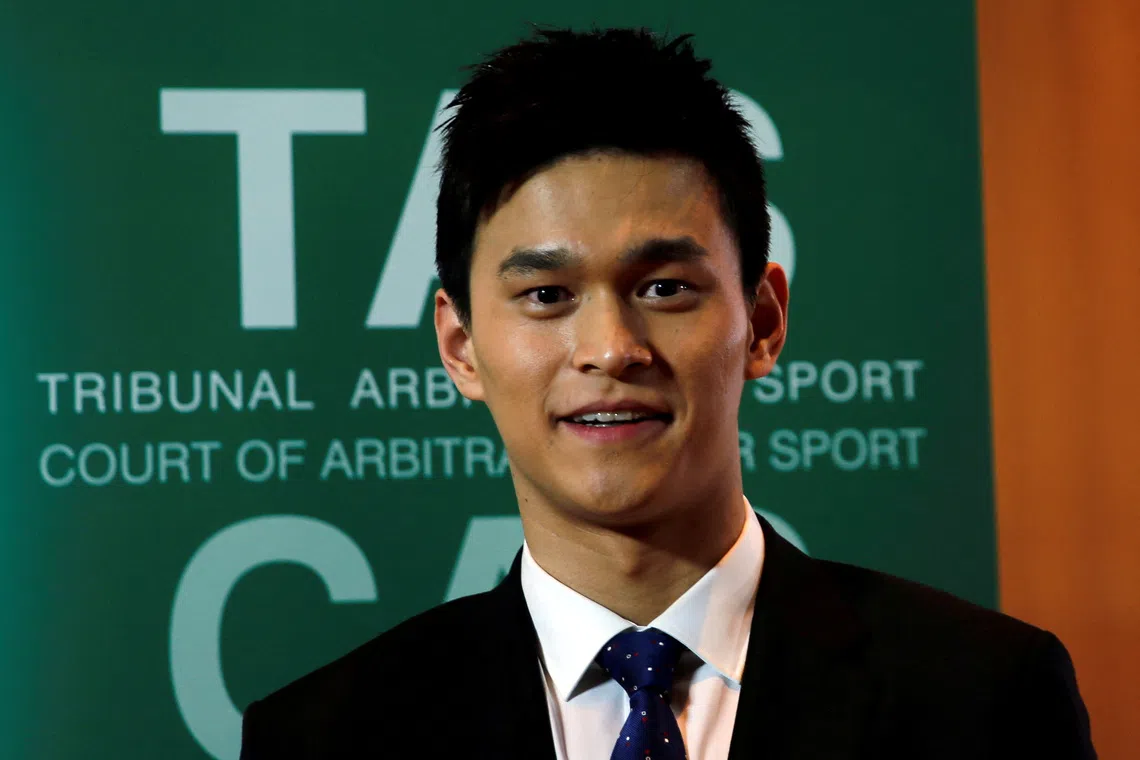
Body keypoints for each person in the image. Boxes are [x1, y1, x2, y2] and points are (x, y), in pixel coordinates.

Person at [239, 26, 1095, 759]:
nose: (612, 349)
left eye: (664, 289)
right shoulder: (322, 736)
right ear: (461, 346)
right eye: (547, 296)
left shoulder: (985, 699)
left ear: (761, 321)